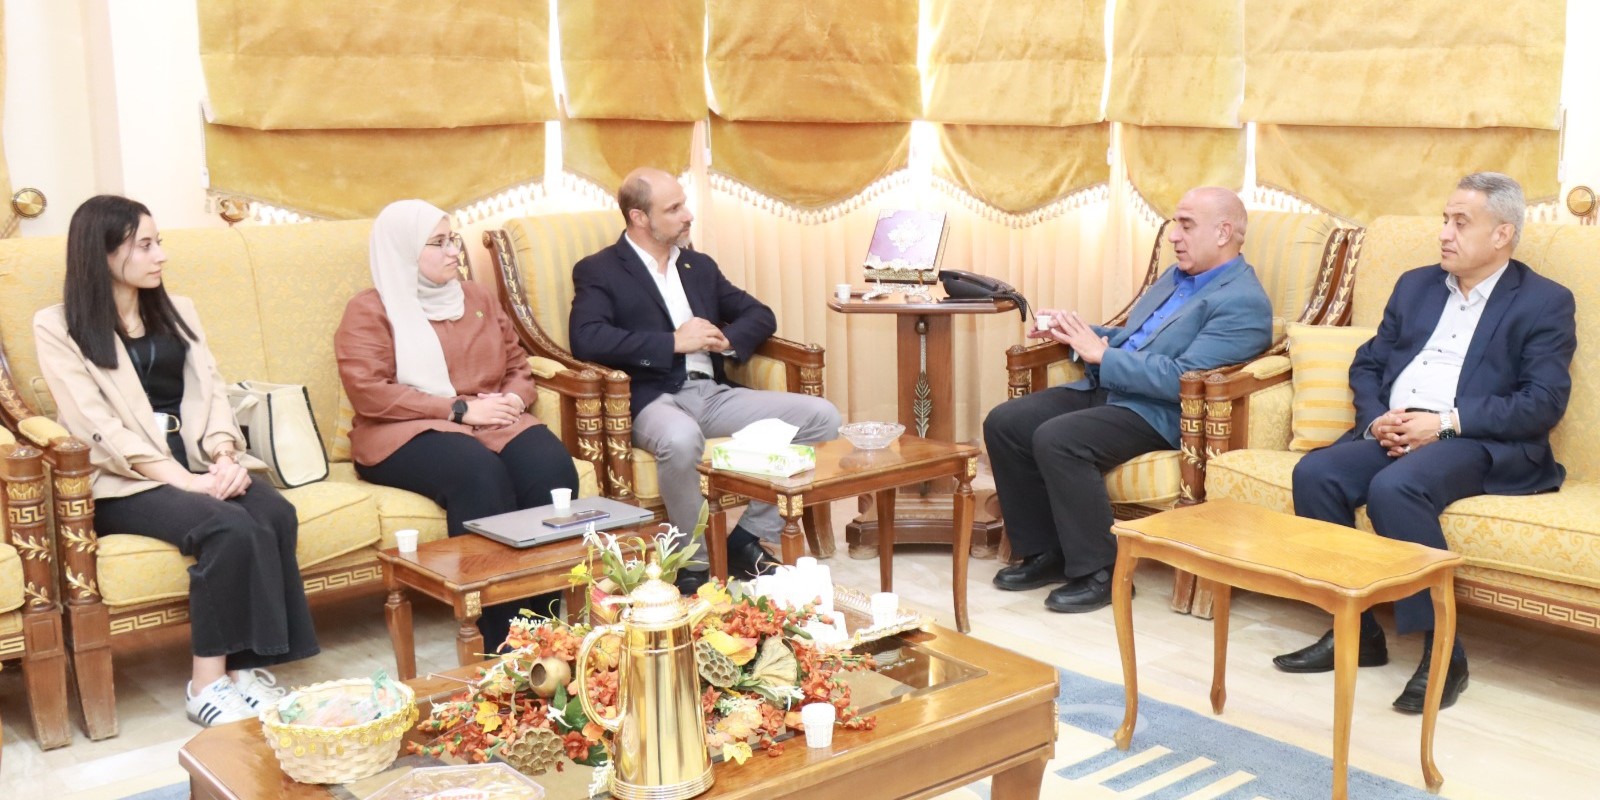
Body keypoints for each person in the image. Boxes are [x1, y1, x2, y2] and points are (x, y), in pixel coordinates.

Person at [1274, 173, 1575, 712]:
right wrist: (1377, 421)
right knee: (1316, 474)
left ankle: (1444, 652)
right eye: (1445, 219)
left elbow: (1542, 402)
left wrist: (1445, 424)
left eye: (1461, 222)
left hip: (1476, 438)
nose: (1444, 233)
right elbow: (1368, 362)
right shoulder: (1417, 285)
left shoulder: (1543, 301)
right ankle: (1357, 632)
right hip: (1397, 426)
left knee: (1396, 488)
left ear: (1502, 234)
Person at [35, 195, 318, 727]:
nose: (160, 255)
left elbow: (212, 391)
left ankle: (242, 671)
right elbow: (95, 423)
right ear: (101, 253)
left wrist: (224, 455)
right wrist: (184, 482)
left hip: (197, 462)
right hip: (124, 480)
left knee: (274, 513)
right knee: (228, 526)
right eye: (144, 245)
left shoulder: (177, 310)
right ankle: (205, 684)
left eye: (158, 242)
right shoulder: (58, 326)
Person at [984, 187, 1274, 613]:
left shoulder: (1243, 302)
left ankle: (1102, 572)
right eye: (1175, 224)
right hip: (1113, 390)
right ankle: (1047, 552)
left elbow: (1183, 379)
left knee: (1058, 438)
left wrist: (1102, 356)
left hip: (1161, 412)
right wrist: (1078, 334)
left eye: (1186, 225)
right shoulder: (1175, 278)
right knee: (1005, 422)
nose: (1173, 236)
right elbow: (1137, 341)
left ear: (1223, 233)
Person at [568, 167, 842, 592]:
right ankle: (693, 563)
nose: (688, 215)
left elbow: (760, 315)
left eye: (684, 205)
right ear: (639, 217)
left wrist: (727, 341)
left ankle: (747, 538)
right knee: (680, 439)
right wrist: (672, 343)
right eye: (674, 208)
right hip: (651, 398)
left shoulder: (697, 266)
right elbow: (586, 338)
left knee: (822, 417)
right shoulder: (600, 269)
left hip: (711, 394)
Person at [336, 199, 579, 650]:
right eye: (439, 243)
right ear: (404, 251)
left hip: (491, 420)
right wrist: (459, 410)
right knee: (477, 473)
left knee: (551, 467)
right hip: (405, 429)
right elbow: (369, 391)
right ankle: (499, 638)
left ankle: (543, 628)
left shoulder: (477, 298)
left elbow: (518, 365)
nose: (454, 251)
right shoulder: (370, 310)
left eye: (453, 240)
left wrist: (513, 398)